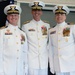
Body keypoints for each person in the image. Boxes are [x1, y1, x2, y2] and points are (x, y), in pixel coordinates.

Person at [22, 0, 50, 75]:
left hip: (43, 61)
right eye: (34, 10)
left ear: (41, 12)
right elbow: (24, 45)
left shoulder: (47, 26)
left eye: (38, 10)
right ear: (31, 11)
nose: (36, 12)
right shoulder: (25, 26)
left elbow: (49, 43)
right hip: (31, 61)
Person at [0, 4, 28, 75]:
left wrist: (25, 68)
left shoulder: (22, 33)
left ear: (18, 17)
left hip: (20, 69)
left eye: (15, 15)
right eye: (11, 15)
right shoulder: (2, 32)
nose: (13, 17)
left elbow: (25, 52)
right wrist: (1, 71)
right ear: (7, 17)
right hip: (7, 70)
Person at [48, 4, 75, 75]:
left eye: (62, 14)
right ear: (55, 16)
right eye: (57, 14)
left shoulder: (72, 28)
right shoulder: (51, 30)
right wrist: (52, 66)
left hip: (71, 65)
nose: (59, 16)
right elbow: (50, 49)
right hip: (58, 65)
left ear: (65, 16)